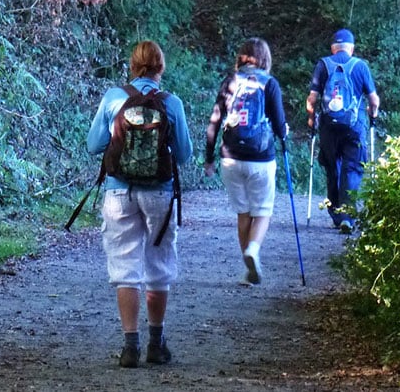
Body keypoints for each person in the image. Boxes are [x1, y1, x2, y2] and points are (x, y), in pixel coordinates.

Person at [86, 40, 193, 368]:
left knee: (125, 268)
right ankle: (155, 344)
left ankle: (130, 347)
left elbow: (94, 145)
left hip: (118, 192)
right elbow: (185, 155)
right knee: (158, 268)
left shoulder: (113, 98)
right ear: (161, 68)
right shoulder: (171, 102)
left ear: (131, 67)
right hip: (159, 192)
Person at [204, 37, 288, 285]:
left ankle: (248, 268)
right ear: (265, 59)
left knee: (243, 212)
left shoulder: (230, 82)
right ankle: (253, 250)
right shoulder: (269, 83)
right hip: (261, 158)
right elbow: (279, 123)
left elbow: (214, 122)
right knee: (262, 211)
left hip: (230, 158)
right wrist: (284, 134)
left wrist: (208, 159)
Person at [305, 28, 379, 234]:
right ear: (352, 48)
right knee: (352, 168)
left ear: (332, 48)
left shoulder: (323, 65)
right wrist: (372, 114)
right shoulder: (360, 66)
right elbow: (374, 100)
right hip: (353, 128)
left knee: (332, 168)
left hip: (329, 128)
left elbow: (312, 99)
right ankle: (348, 216)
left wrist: (312, 120)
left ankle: (336, 214)